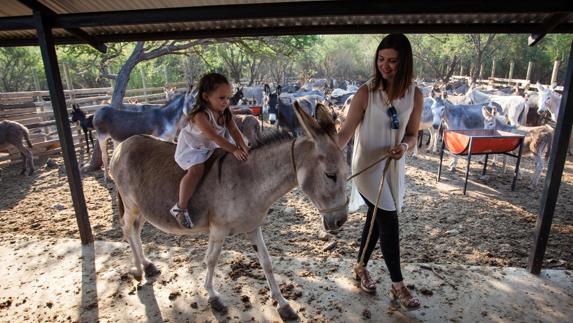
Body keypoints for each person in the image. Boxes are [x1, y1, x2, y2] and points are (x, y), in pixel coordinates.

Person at [337, 34, 423, 310]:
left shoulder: (415, 94)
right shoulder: (366, 92)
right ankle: (398, 285)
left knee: (375, 219)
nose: (385, 66)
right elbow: (345, 134)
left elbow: (412, 135)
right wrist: (322, 152)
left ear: (405, 62)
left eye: (393, 61)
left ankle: (360, 267)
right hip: (366, 167)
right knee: (388, 220)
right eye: (381, 59)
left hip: (393, 166)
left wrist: (405, 148)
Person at [171, 72, 249, 228]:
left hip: (213, 145)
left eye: (228, 97)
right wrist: (234, 149)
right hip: (194, 147)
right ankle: (180, 207)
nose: (226, 102)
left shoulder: (225, 112)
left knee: (234, 161)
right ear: (206, 97)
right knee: (197, 170)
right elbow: (214, 137)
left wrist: (244, 146)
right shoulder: (200, 115)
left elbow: (234, 131)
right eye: (222, 98)